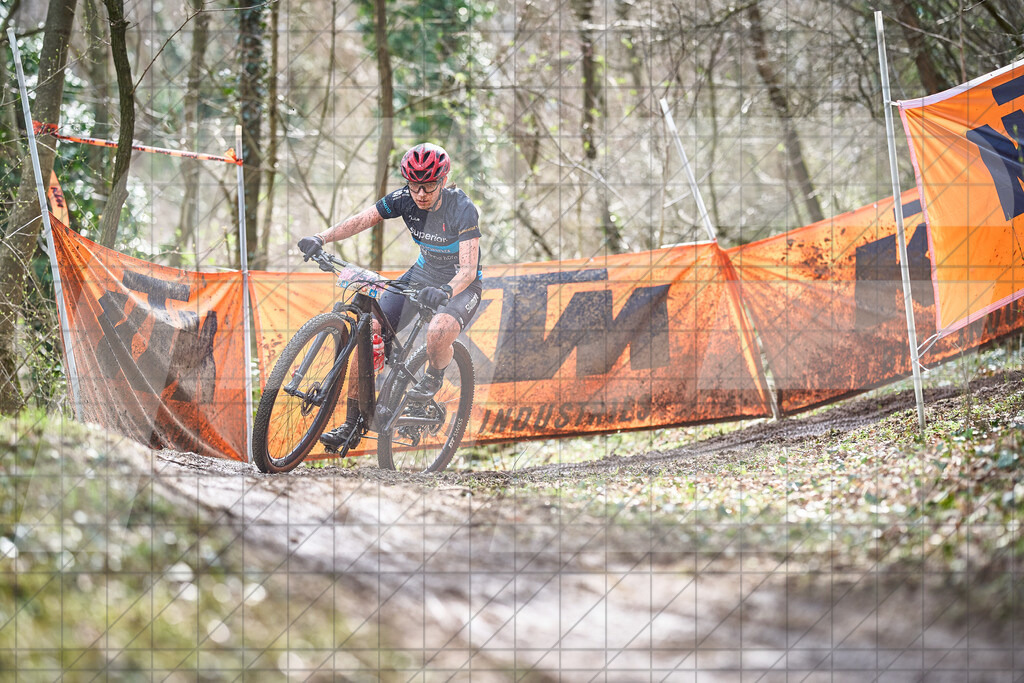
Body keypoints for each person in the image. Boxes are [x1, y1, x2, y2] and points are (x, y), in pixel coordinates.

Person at [297, 143, 483, 452]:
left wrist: (446, 291)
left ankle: (433, 377)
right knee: (368, 334)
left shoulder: (462, 209)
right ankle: (352, 423)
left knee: (438, 332)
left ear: (443, 181)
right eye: (414, 185)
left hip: (460, 285)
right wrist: (322, 237)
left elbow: (468, 269)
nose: (421, 194)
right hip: (421, 277)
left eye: (428, 186)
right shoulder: (403, 200)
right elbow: (362, 219)